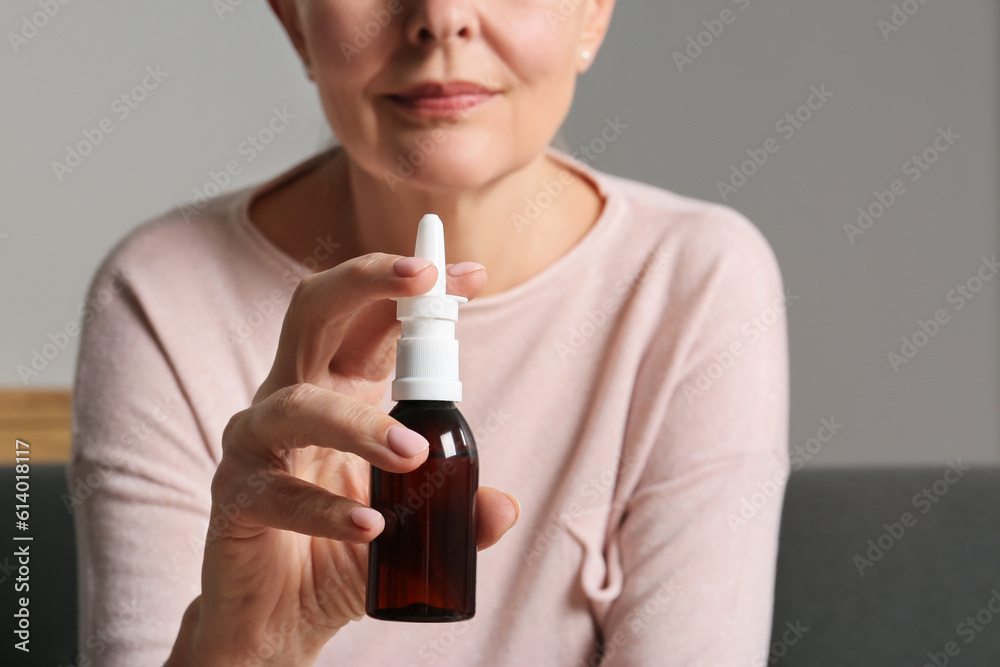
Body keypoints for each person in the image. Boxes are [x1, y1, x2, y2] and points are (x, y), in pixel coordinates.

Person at [69, 1, 791, 665]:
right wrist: (247, 652)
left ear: (593, 13)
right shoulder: (161, 292)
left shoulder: (695, 279)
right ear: (294, 19)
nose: (441, 18)